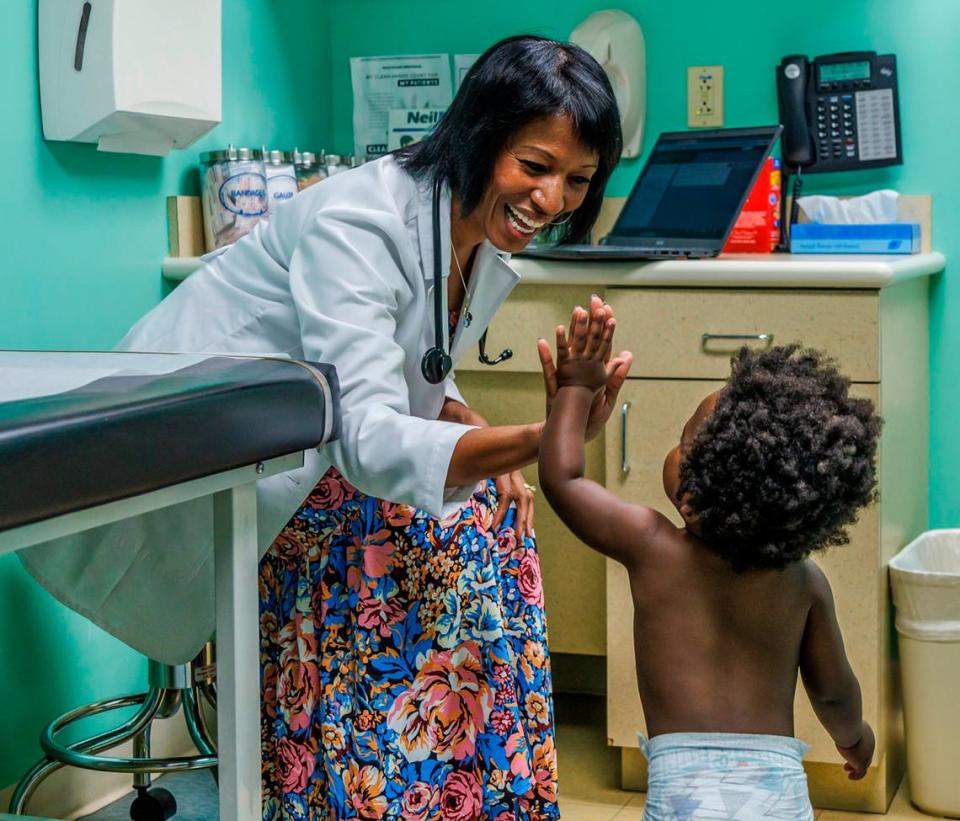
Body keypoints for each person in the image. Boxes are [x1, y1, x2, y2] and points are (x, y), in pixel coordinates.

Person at [87, 35, 625, 818]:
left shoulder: (463, 228)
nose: (553, 200)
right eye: (535, 167)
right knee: (442, 546)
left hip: (301, 444)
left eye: (578, 180)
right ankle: (374, 791)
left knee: (496, 522)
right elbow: (370, 437)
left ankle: (469, 795)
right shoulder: (358, 222)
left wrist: (470, 416)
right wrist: (545, 436)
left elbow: (412, 361)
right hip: (203, 452)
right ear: (481, 138)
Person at [537, 311, 881, 820]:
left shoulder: (653, 547)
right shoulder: (803, 581)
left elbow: (562, 480)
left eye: (684, 442)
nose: (674, 449)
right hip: (776, 795)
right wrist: (855, 740)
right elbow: (833, 692)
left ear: (697, 489)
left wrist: (576, 389)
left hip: (683, 796)